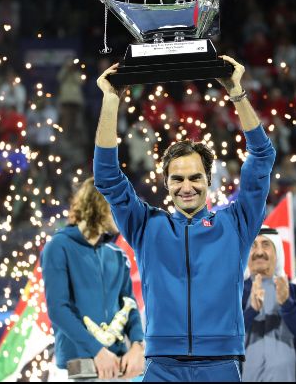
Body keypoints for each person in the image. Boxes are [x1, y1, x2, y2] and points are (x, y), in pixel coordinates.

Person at [93, 56, 276, 382]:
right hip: (162, 365)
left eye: (195, 178)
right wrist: (111, 100)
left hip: (221, 363)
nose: (186, 187)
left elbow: (262, 156)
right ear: (166, 182)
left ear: (209, 180)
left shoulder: (236, 223)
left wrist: (236, 91)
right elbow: (107, 176)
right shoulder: (146, 225)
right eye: (177, 179)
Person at [42, 177, 145, 380]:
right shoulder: (58, 246)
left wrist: (137, 345)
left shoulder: (117, 254)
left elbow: (129, 305)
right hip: (77, 369)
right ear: (98, 204)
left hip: (116, 367)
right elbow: (58, 309)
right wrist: (97, 351)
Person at [242, 226, 296, 382]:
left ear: (277, 252)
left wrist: (287, 304)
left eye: (266, 245)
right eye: (253, 246)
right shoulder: (233, 294)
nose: (259, 252)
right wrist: (250, 311)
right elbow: (221, 341)